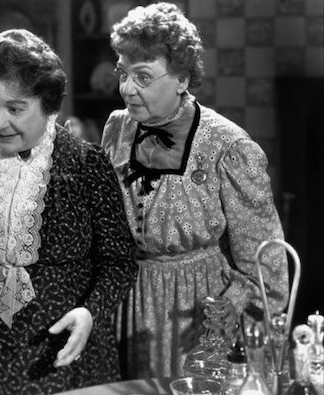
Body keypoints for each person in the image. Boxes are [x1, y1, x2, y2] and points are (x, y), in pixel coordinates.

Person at [0, 29, 137, 395]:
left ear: (48, 105)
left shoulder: (85, 165)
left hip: (62, 351)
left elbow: (119, 260)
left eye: (15, 108)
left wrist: (90, 312)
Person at [101, 2, 289, 379]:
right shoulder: (117, 127)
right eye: (123, 73)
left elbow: (267, 264)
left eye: (143, 76)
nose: (127, 89)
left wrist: (229, 310)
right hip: (125, 306)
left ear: (182, 78)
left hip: (196, 317)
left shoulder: (229, 147)